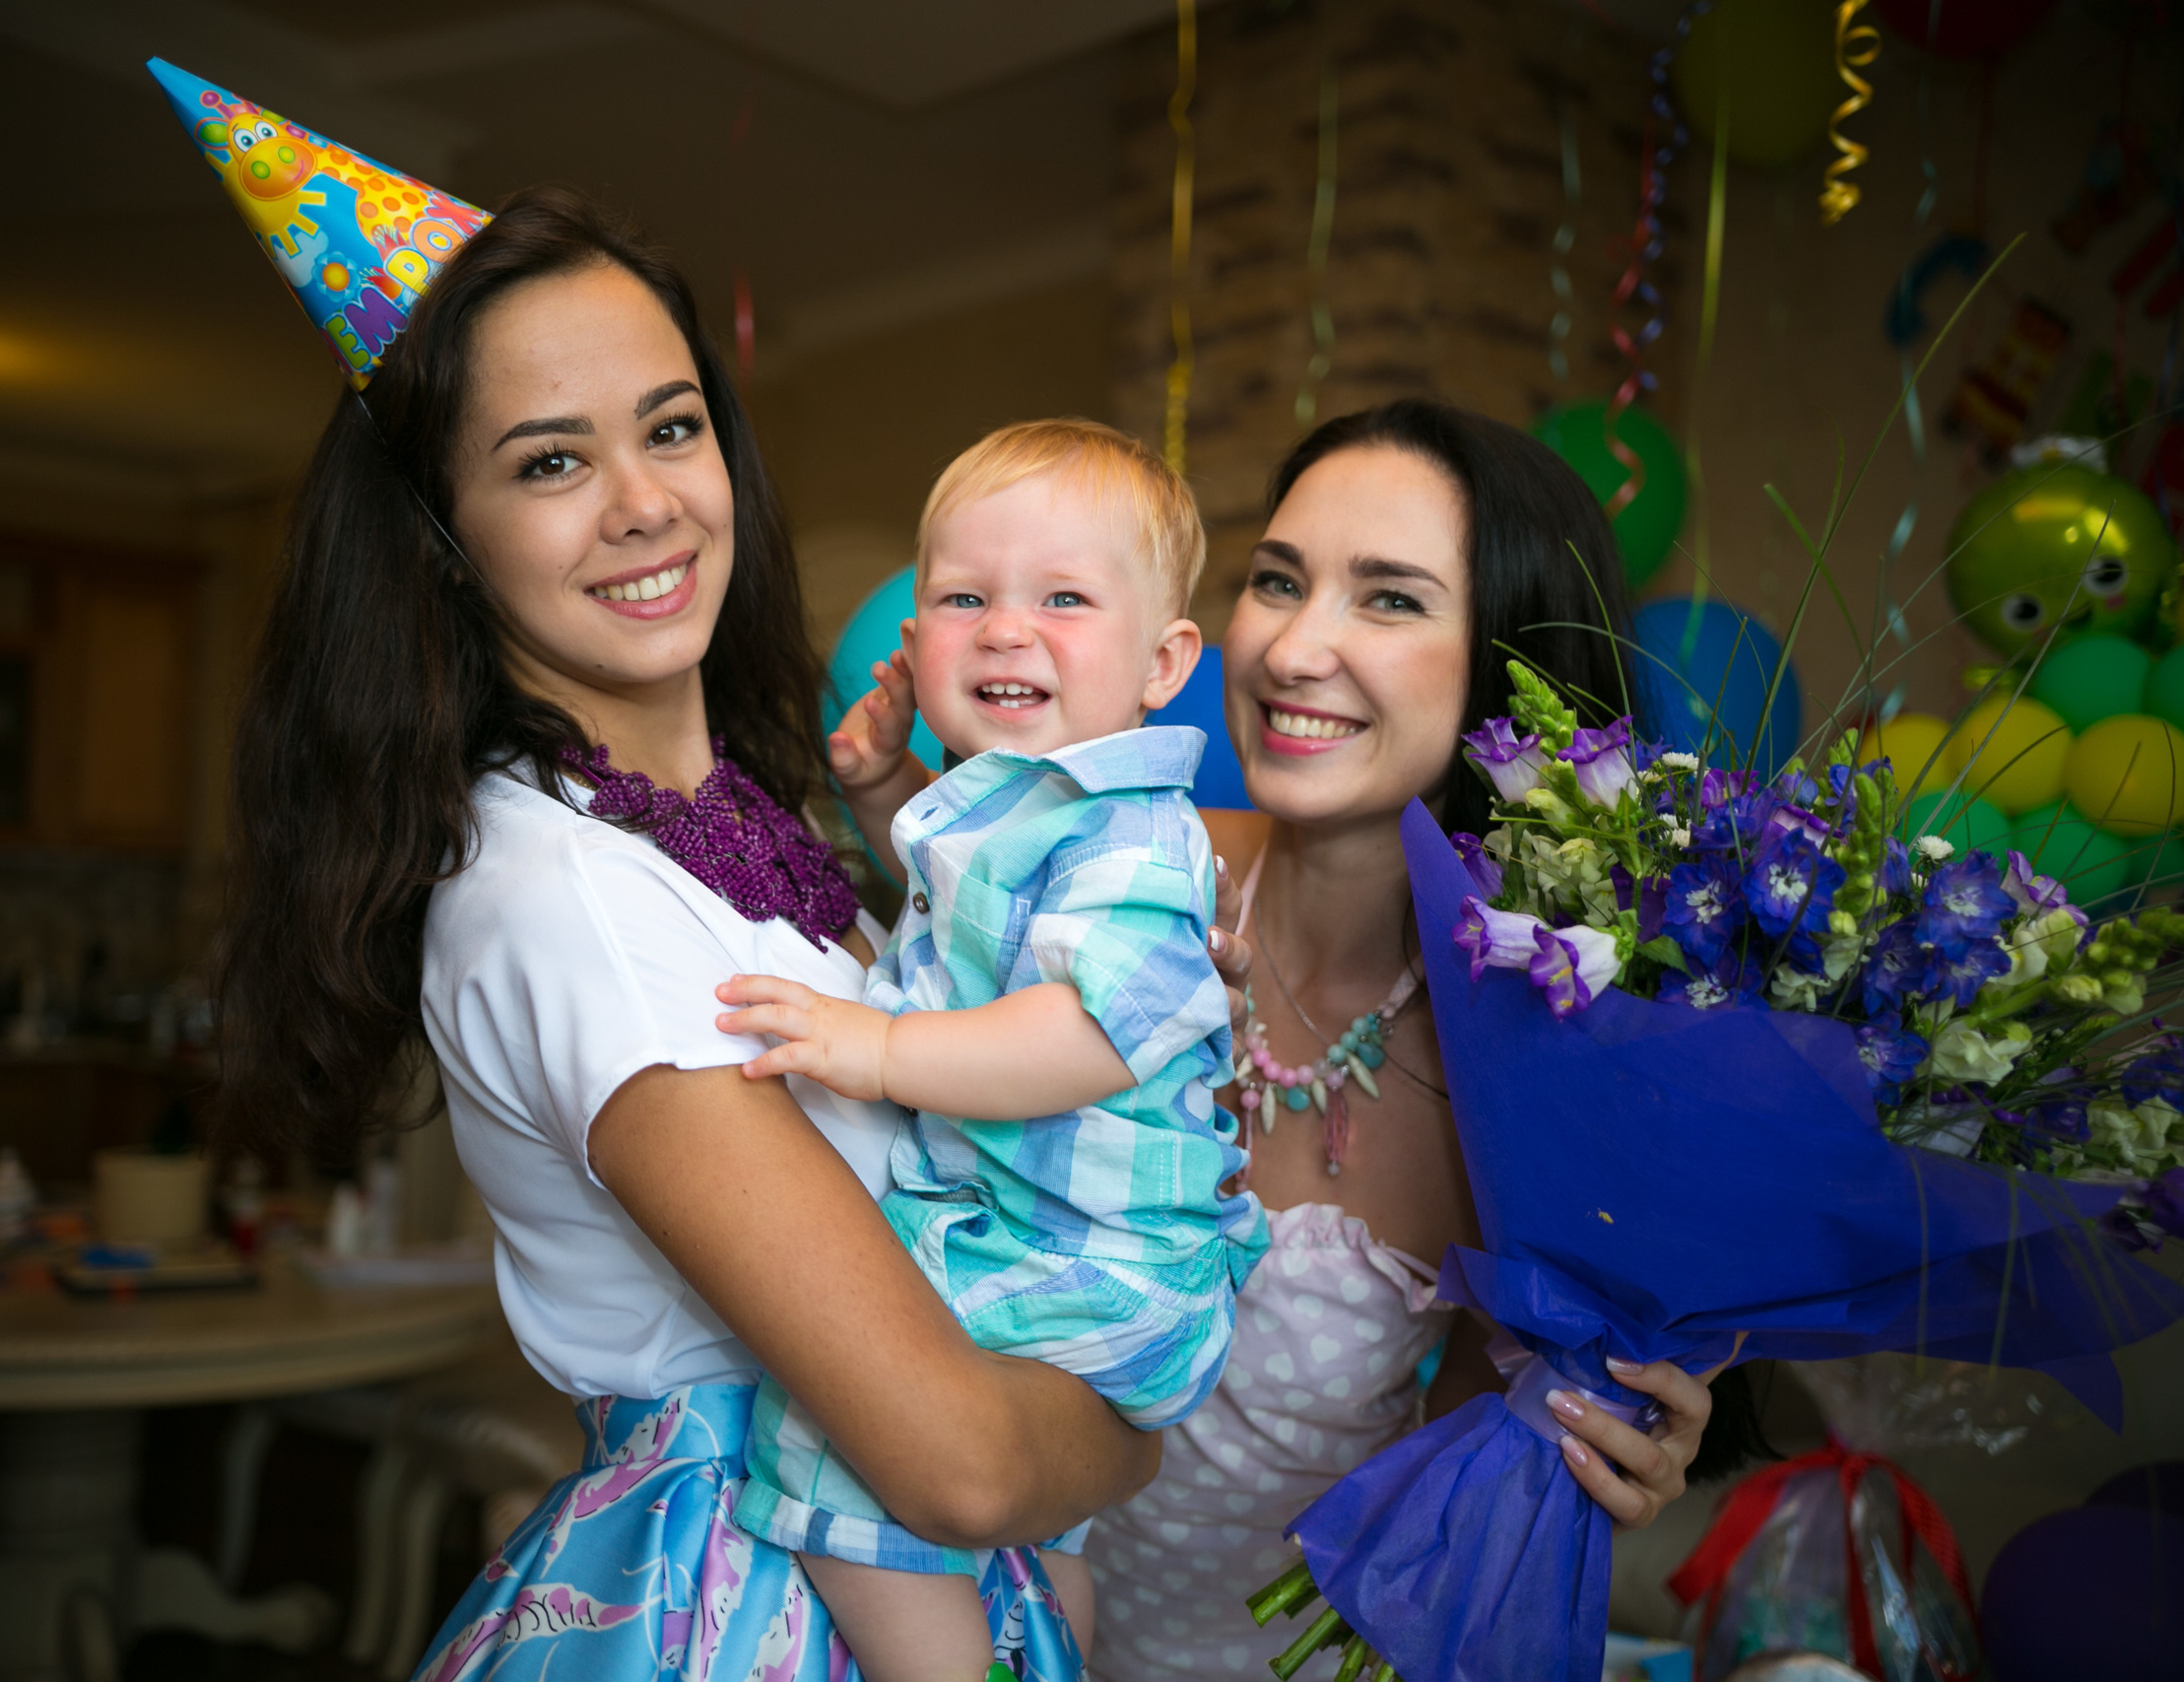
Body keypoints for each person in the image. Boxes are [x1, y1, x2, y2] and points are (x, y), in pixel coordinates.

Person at [211, 177, 1179, 1678]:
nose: (645, 501)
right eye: (549, 461)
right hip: (762, 1603)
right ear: (444, 539)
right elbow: (961, 1466)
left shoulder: (738, 819)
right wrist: (1143, 1425)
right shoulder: (564, 894)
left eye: (670, 426)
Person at [1084, 401, 1731, 1678]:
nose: (1293, 644)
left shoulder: (1539, 1066)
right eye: (1279, 579)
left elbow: (1458, 1494)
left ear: (1510, 664)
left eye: (1388, 599)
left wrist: (1597, 1440)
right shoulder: (1109, 875)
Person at [713, 423, 1268, 1678]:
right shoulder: (1026, 807)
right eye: (965, 597)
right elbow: (971, 919)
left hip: (1086, 1262)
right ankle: (1044, 1651)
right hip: (1053, 1245)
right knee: (1036, 1541)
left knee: (837, 1425)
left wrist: (874, 1048)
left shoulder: (1130, 835)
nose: (1008, 628)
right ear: (918, 639)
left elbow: (1078, 1032)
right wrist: (876, 791)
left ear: (1164, 662)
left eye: (1063, 598)